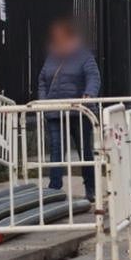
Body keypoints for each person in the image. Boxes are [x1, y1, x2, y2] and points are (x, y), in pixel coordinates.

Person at [37, 17, 100, 201]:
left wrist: (89, 94)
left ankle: (90, 188)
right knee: (56, 149)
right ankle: (54, 189)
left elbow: (93, 77)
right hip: (55, 111)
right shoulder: (52, 57)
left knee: (84, 151)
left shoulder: (84, 56)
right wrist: (43, 101)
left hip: (79, 111)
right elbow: (42, 80)